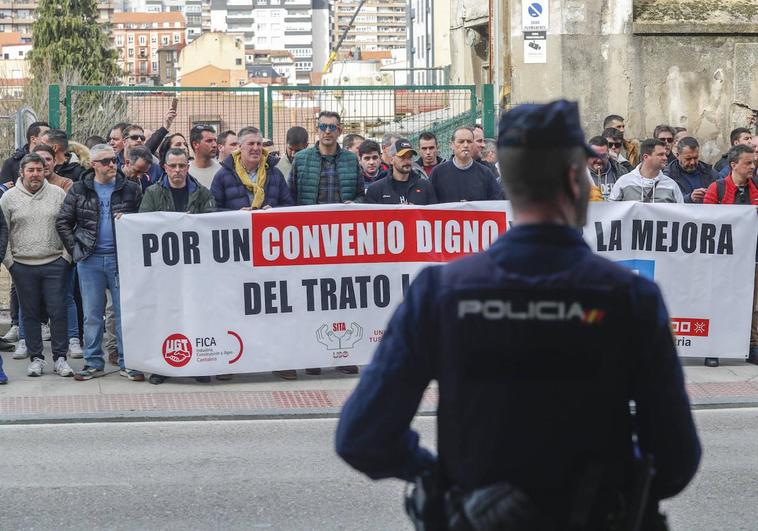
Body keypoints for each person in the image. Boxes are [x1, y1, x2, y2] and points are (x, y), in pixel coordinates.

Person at [336, 100, 701, 531]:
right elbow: (676, 456)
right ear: (573, 178)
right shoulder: (629, 298)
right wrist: (616, 486)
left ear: (505, 178)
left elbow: (363, 435)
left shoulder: (441, 293)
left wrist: (444, 483)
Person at [56, 144, 144, 382]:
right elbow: (63, 222)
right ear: (93, 164)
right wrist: (76, 250)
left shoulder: (131, 189)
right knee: (93, 314)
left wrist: (130, 222)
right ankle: (94, 363)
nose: (112, 165)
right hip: (90, 260)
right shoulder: (79, 190)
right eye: (105, 161)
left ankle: (129, 362)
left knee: (123, 313)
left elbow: (144, 222)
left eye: (114, 160)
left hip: (120, 259)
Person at [289, 111, 364, 377]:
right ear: (316, 129)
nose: (327, 131)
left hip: (342, 240)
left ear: (340, 130)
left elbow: (360, 194)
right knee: (310, 300)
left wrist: (354, 206)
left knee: (342, 299)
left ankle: (343, 354)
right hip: (309, 240)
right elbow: (292, 198)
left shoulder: (350, 161)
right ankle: (313, 355)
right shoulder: (301, 159)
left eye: (332, 127)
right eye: (323, 126)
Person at [139, 148, 215, 384]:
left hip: (195, 269)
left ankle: (199, 366)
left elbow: (211, 227)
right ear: (165, 168)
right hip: (164, 269)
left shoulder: (202, 193)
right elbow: (143, 225)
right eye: (173, 166)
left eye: (182, 166)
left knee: (195, 316)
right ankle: (161, 367)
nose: (178, 171)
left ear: (188, 166)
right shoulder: (152, 193)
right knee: (164, 317)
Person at [0, 154, 73, 378]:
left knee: (58, 311)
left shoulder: (58, 194)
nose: (35, 174)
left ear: (45, 171)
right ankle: (36, 358)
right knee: (29, 314)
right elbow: (3, 231)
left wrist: (66, 257)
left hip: (54, 263)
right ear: (21, 172)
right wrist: (10, 262)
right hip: (22, 265)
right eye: (30, 170)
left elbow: (69, 224)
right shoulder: (9, 198)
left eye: (39, 170)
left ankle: (60, 358)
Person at [704, 144, 758, 367]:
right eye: (748, 162)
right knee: (718, 301)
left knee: (754, 305)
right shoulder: (716, 189)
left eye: (754, 162)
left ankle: (753, 346)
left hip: (752, 256)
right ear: (733, 165)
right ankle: (713, 346)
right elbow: (705, 222)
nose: (753, 166)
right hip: (723, 258)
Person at [212, 126, 293, 210]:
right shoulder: (223, 175)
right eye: (251, 143)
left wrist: (274, 210)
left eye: (259, 144)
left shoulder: (275, 174)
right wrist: (236, 214)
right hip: (237, 223)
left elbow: (288, 205)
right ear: (240, 147)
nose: (256, 148)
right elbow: (214, 209)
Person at [430, 127, 504, 203]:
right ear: (452, 145)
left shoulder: (486, 173)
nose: (465, 145)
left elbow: (496, 203)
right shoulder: (438, 173)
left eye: (469, 142)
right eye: (461, 142)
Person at [609, 139, 684, 203]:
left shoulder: (671, 185)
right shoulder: (624, 182)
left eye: (665, 154)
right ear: (646, 157)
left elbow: (681, 213)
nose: (665, 158)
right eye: (660, 154)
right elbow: (612, 211)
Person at [365, 139, 437, 205]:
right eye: (402, 157)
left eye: (409, 157)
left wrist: (416, 211)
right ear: (392, 160)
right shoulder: (376, 189)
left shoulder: (425, 186)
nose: (407, 161)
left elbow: (434, 215)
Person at [663, 137, 718, 203]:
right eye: (688, 159)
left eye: (695, 158)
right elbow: (666, 201)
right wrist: (689, 198)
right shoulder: (668, 175)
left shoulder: (708, 171)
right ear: (678, 156)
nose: (692, 162)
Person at [587, 136, 628, 200]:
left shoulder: (621, 172)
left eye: (603, 155)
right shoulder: (578, 175)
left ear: (608, 154)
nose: (599, 160)